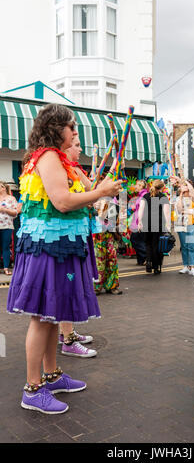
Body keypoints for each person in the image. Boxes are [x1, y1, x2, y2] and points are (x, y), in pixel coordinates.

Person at [7, 103, 122, 414]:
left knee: (52, 314)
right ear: (55, 128)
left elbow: (86, 190)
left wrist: (100, 189)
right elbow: (61, 201)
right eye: (71, 127)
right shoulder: (46, 157)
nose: (75, 132)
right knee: (42, 317)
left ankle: (52, 375)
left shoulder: (59, 160)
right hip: (47, 250)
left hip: (60, 248)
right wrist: (99, 194)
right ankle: (32, 389)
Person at [58, 135, 97, 358]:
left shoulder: (71, 169)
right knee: (65, 287)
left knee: (71, 286)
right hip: (63, 242)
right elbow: (86, 197)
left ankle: (68, 332)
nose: (80, 149)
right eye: (77, 145)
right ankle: (68, 340)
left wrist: (82, 173)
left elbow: (91, 191)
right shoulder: (59, 169)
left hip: (76, 237)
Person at [93, 168, 123, 296]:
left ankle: (112, 285)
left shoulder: (113, 199)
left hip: (110, 232)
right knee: (98, 260)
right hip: (97, 234)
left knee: (112, 259)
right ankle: (96, 286)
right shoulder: (92, 196)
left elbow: (117, 215)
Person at [138, 179, 170, 274]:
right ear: (161, 187)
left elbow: (141, 210)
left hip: (146, 223)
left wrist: (140, 222)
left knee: (148, 244)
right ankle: (156, 267)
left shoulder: (145, 196)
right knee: (157, 245)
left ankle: (148, 263)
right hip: (158, 224)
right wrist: (167, 226)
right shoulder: (163, 197)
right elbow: (166, 213)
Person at [176, 180, 194, 276]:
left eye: (185, 187)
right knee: (184, 246)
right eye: (182, 187)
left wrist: (188, 211)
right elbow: (180, 210)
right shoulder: (178, 198)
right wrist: (181, 195)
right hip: (181, 225)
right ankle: (185, 266)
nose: (184, 189)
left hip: (192, 225)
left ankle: (192, 267)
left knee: (191, 246)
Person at [0, 181, 18, 275]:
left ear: (3, 188)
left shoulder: (11, 198)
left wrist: (4, 210)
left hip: (7, 226)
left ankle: (6, 268)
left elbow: (15, 213)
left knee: (5, 247)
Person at [129, 180, 148, 266]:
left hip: (140, 222)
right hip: (137, 222)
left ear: (141, 186)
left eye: (137, 185)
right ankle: (141, 260)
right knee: (140, 240)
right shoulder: (141, 196)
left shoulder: (144, 196)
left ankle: (147, 256)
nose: (135, 186)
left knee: (134, 239)